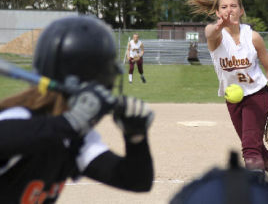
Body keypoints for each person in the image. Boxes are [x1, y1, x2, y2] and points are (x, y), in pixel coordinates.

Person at [0, 16, 154, 203]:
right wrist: (71, 122)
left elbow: (136, 180)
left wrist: (136, 138)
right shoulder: (19, 118)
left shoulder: (75, 139)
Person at [187, 0, 268, 202]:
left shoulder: (252, 37)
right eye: (224, 7)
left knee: (250, 150)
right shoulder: (216, 37)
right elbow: (209, 32)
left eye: (233, 6)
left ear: (241, 10)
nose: (229, 10)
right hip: (233, 101)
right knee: (259, 152)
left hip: (257, 96)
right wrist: (216, 27)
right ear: (217, 12)